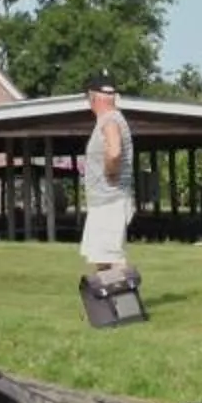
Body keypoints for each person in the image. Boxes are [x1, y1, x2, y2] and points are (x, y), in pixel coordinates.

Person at [78, 74, 135, 271]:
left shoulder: (110, 119)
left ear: (92, 97)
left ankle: (123, 302)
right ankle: (106, 301)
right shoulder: (109, 119)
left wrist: (110, 170)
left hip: (110, 201)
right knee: (101, 258)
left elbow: (114, 151)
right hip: (103, 202)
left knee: (113, 258)